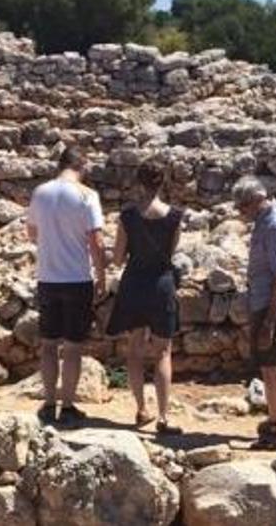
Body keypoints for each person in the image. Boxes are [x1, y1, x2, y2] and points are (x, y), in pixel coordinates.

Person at [26, 147, 107, 426]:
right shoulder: (87, 195)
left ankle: (49, 404)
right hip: (77, 279)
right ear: (81, 165)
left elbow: (32, 232)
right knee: (72, 348)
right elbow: (96, 241)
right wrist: (102, 277)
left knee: (48, 344)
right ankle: (68, 406)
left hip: (47, 277)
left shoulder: (40, 192)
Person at [106, 163, 184, 436]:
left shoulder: (127, 216)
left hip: (134, 284)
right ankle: (164, 416)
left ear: (138, 183)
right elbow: (170, 252)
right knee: (163, 351)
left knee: (135, 348)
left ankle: (141, 408)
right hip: (161, 284)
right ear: (162, 183)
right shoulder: (175, 216)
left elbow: (117, 258)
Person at [233, 176, 276, 450]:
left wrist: (270, 322)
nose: (240, 213)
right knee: (267, 364)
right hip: (261, 299)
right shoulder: (263, 219)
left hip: (274, 304)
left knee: (275, 364)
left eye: (242, 207)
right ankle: (274, 420)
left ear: (256, 201)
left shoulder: (275, 224)